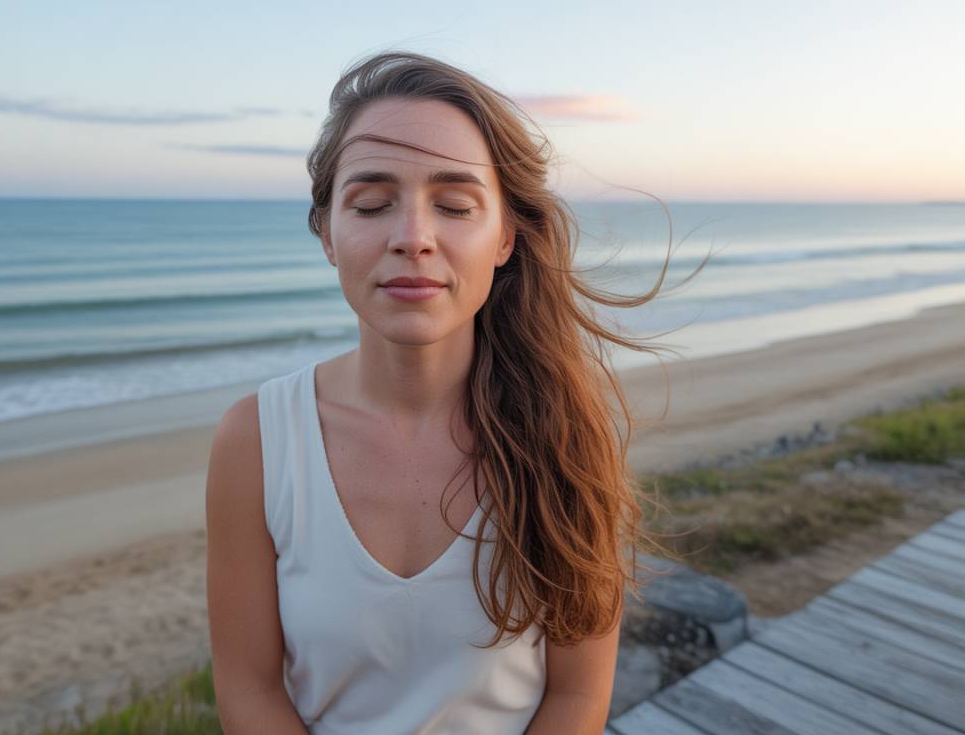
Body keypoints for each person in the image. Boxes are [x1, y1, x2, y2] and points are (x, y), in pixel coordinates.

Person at [206, 50, 698, 734]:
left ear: (505, 237)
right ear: (327, 233)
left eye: (456, 205)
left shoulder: (562, 433)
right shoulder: (255, 439)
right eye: (372, 203)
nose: (413, 237)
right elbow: (248, 688)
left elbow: (577, 697)